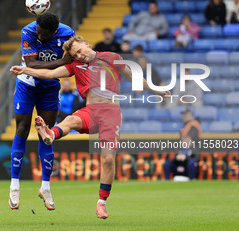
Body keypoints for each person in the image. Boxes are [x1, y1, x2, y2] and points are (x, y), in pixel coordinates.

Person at [10, 35, 171, 219]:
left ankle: (101, 203)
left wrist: (156, 89)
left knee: (108, 160)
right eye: (75, 54)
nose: (79, 55)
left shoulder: (111, 58)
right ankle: (50, 134)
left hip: (110, 115)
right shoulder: (75, 66)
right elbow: (50, 74)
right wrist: (25, 70)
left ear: (87, 44)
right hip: (91, 111)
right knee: (70, 120)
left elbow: (133, 76)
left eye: (80, 50)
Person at [9, 12, 75, 211]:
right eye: (38, 31)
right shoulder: (28, 31)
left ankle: (45, 187)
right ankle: (14, 185)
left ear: (54, 32)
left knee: (46, 133)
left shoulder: (67, 34)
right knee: (21, 128)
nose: (39, 36)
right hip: (26, 84)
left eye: (43, 34)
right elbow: (31, 65)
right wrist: (62, 62)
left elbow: (74, 59)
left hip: (49, 88)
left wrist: (62, 65)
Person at [163, 108, 201, 180]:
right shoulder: (185, 125)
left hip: (190, 155)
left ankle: (192, 178)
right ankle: (167, 180)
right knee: (167, 163)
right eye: (183, 115)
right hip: (181, 157)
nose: (184, 116)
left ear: (191, 115)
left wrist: (186, 156)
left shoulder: (193, 125)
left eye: (186, 114)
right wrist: (177, 157)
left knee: (192, 163)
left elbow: (191, 140)